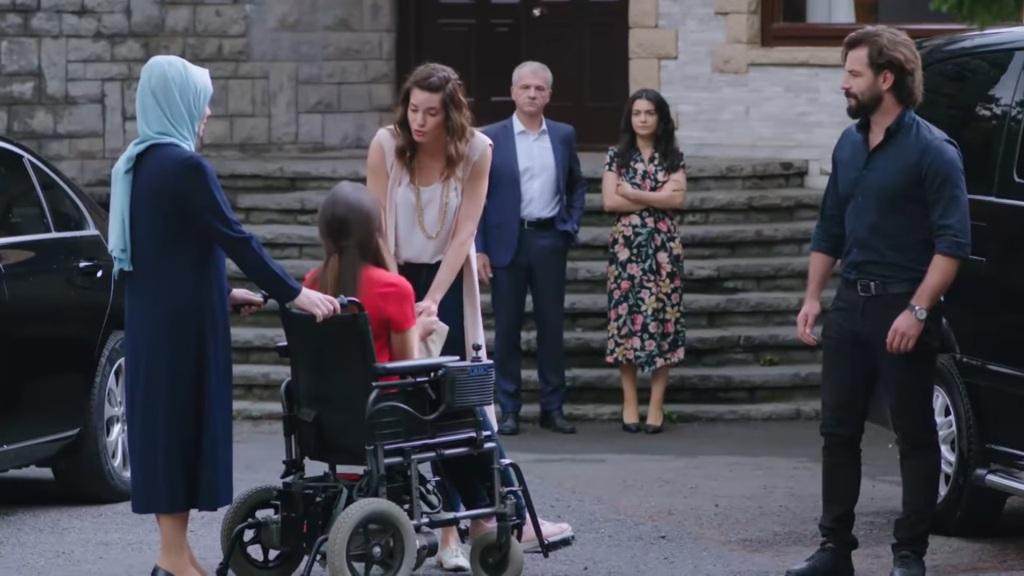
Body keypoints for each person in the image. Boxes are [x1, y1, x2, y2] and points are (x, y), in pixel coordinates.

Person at [110, 56, 340, 576]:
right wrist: (293, 294)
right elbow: (236, 238)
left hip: (157, 325)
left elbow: (165, 254)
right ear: (178, 102)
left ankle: (177, 554)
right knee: (180, 431)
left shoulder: (136, 164)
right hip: (182, 333)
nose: (208, 111)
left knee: (168, 431)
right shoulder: (186, 167)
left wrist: (222, 291)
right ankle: (173, 561)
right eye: (202, 100)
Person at [305, 183, 573, 571]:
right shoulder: (392, 287)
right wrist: (420, 329)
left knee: (450, 412)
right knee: (461, 408)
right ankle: (501, 513)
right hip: (385, 418)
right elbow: (406, 363)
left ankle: (484, 518)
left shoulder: (313, 284)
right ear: (374, 230)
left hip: (326, 418)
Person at [786, 26, 970, 576]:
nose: (843, 83)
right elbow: (830, 227)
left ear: (886, 79)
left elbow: (953, 245)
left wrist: (918, 311)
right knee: (837, 432)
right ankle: (834, 550)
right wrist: (813, 296)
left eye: (853, 74)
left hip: (903, 309)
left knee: (914, 436)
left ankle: (909, 556)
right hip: (851, 306)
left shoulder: (933, 151)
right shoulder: (848, 144)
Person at [476, 61, 587, 436]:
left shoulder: (563, 135)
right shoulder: (491, 138)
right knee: (507, 329)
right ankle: (508, 408)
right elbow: (477, 196)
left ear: (549, 95)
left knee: (551, 328)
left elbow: (577, 184)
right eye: (525, 87)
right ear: (513, 92)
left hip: (548, 239)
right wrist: (479, 248)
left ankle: (552, 408)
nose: (532, 94)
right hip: (506, 243)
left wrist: (569, 226)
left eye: (539, 89)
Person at [601, 88, 687, 435]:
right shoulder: (616, 156)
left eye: (650, 113)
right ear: (630, 117)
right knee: (626, 321)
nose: (643, 119)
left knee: (664, 321)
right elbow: (610, 202)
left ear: (660, 118)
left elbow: (677, 201)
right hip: (627, 251)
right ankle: (629, 401)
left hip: (664, 250)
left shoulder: (673, 156)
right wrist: (657, 197)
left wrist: (633, 193)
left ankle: (656, 404)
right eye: (637, 113)